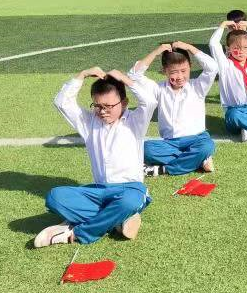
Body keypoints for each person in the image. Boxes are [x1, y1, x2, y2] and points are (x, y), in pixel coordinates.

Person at [34, 68, 157, 247]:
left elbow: (150, 101)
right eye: (98, 106)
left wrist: (125, 79)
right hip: (99, 191)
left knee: (130, 202)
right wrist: (82, 75)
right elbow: (62, 102)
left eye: (109, 106)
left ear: (124, 103)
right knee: (55, 197)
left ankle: (77, 233)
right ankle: (118, 219)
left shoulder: (136, 121)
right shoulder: (88, 122)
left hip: (130, 189)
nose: (103, 111)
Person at [128, 41, 218, 177]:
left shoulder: (197, 87)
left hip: (197, 139)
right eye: (174, 72)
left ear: (190, 66)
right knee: (144, 149)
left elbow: (212, 67)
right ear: (165, 70)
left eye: (184, 71)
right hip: (170, 144)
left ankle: (163, 169)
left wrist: (189, 47)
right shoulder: (158, 89)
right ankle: (197, 160)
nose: (180, 77)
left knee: (207, 146)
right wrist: (157, 52)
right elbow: (133, 75)